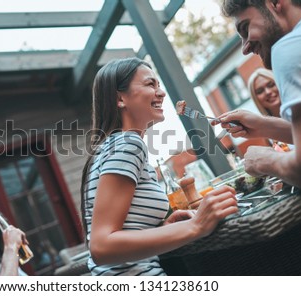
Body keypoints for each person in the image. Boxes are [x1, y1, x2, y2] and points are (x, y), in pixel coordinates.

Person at [80, 57, 238, 276]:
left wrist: (163, 228)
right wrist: (196, 226)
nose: (161, 92)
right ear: (120, 99)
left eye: (159, 85)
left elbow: (122, 232)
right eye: (150, 84)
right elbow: (101, 247)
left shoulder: (115, 146)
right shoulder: (128, 144)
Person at [214, 1, 301, 196]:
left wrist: (266, 161)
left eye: (245, 28)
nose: (245, 48)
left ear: (276, 3)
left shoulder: (292, 47)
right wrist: (264, 126)